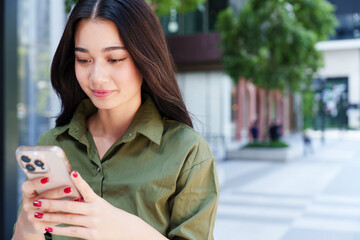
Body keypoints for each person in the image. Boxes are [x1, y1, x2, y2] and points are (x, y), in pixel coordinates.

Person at [12, 0, 219, 239]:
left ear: (146, 59)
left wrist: (126, 229)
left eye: (115, 59)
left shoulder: (188, 152)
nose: (97, 78)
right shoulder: (53, 144)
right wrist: (27, 227)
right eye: (84, 60)